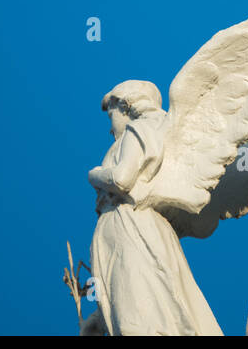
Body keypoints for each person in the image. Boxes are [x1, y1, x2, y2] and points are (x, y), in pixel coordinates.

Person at [86, 80, 222, 335]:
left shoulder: (139, 131)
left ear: (126, 106)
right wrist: (99, 319)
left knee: (143, 317)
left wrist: (94, 175)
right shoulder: (134, 135)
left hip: (132, 223)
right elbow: (124, 286)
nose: (109, 129)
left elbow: (122, 179)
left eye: (112, 116)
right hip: (123, 227)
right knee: (138, 309)